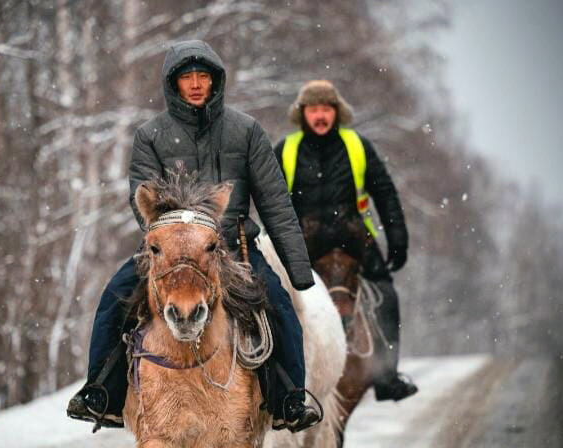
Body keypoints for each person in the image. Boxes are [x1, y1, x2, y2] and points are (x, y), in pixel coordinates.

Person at [67, 40, 321, 432]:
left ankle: (289, 399)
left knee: (279, 306)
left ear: (217, 80)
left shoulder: (247, 130)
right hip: (167, 252)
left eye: (204, 76)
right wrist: (169, 241)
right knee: (113, 299)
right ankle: (102, 395)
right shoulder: (150, 135)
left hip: (233, 249)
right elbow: (144, 200)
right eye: (188, 77)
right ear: (174, 83)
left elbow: (275, 203)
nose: (197, 84)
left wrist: (298, 269)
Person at [274, 80, 418, 401]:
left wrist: (398, 238)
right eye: (314, 109)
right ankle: (278, 380)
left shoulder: (358, 146)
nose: (320, 116)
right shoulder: (285, 149)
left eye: (327, 109)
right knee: (275, 297)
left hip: (354, 239)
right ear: (303, 114)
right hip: (304, 244)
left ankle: (387, 377)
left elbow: (385, 193)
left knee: (386, 293)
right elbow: (268, 198)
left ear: (338, 112)